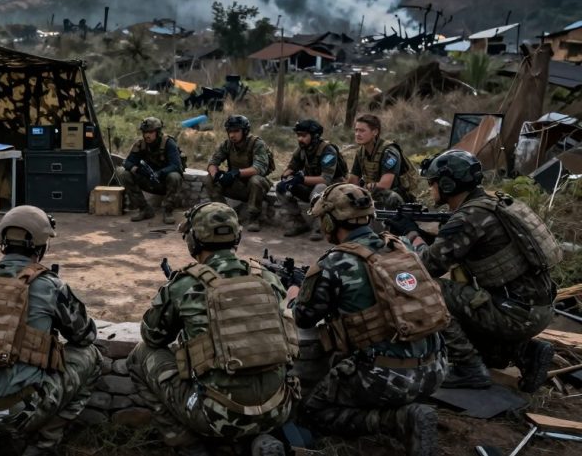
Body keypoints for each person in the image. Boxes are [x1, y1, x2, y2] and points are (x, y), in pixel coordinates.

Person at [128, 202, 298, 456]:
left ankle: (188, 445)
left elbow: (152, 336)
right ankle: (259, 439)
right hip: (279, 409)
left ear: (193, 241)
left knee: (139, 356)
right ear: (237, 237)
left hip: (215, 416)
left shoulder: (185, 284)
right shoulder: (267, 278)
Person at [385, 150, 557, 392]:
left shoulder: (468, 218)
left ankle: (470, 368)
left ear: (447, 184)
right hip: (534, 307)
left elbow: (425, 267)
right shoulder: (490, 203)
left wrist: (411, 233)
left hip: (516, 314)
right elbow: (453, 246)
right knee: (464, 302)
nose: (431, 188)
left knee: (424, 289)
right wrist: (420, 233)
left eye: (433, 182)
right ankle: (525, 352)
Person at [295, 183, 447, 456]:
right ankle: (396, 405)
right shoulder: (403, 248)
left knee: (311, 411)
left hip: (387, 377)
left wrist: (298, 293)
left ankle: (399, 420)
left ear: (330, 221)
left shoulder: (333, 262)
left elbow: (304, 318)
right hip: (435, 371)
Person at [0, 205, 100, 456]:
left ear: (2, 244)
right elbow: (85, 336)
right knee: (91, 356)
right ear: (41, 247)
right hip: (17, 411)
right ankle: (43, 443)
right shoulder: (50, 286)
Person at [278, 119, 347, 241]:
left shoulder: (328, 151)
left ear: (315, 136)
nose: (300, 139)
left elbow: (325, 179)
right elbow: (291, 167)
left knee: (320, 188)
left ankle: (319, 228)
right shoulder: (302, 150)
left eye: (304, 136)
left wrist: (300, 179)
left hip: (332, 190)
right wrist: (286, 177)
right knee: (281, 187)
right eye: (298, 135)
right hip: (311, 187)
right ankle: (298, 223)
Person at [205, 114, 274, 232]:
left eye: (236, 131)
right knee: (209, 179)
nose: (232, 135)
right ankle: (224, 213)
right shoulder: (227, 144)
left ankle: (254, 217)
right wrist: (217, 175)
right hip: (238, 185)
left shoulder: (256, 144)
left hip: (257, 186)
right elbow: (212, 163)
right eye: (230, 131)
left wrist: (235, 173)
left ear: (245, 131)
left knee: (255, 180)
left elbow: (259, 168)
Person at [114, 116, 184, 224]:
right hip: (148, 180)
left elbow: (176, 166)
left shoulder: (169, 143)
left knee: (175, 176)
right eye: (145, 132)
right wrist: (137, 170)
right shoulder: (140, 144)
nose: (147, 135)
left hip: (163, 181)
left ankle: (168, 210)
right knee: (124, 173)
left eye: (150, 132)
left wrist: (160, 173)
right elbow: (127, 162)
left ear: (158, 132)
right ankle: (144, 209)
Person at [346, 114, 417, 209]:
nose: (357, 134)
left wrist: (364, 189)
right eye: (356, 130)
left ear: (375, 132)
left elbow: (385, 185)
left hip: (399, 198)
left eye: (362, 131)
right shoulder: (361, 152)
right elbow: (353, 182)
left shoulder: (389, 152)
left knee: (390, 196)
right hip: (375, 194)